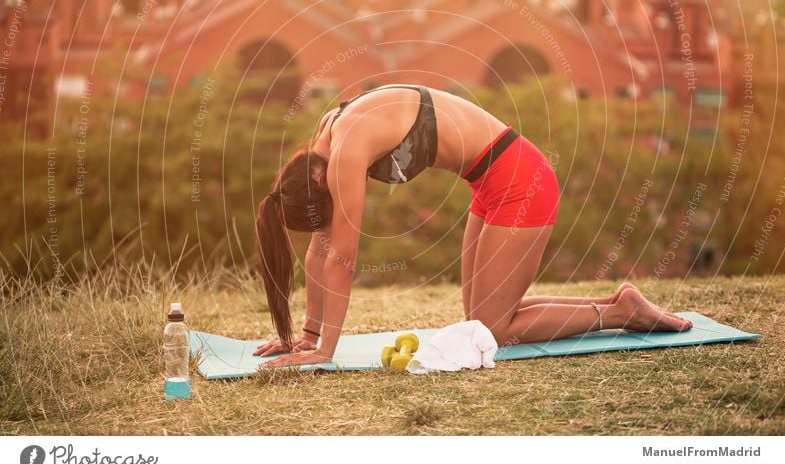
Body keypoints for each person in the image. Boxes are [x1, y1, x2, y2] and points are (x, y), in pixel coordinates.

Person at [253, 84, 692, 367]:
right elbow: (320, 247)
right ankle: (618, 301)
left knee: (492, 330)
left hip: (522, 181)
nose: (333, 218)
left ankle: (617, 312)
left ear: (316, 181)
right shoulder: (325, 139)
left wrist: (326, 351)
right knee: (479, 323)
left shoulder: (344, 149)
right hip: (489, 184)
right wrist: (305, 337)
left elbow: (341, 258)